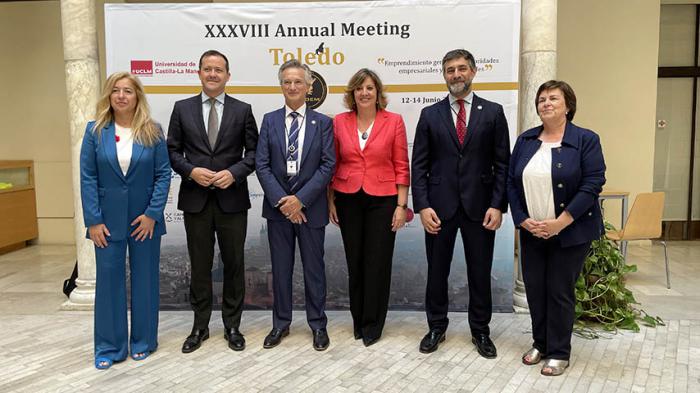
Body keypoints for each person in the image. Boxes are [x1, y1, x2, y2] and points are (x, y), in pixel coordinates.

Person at [411, 49, 510, 357]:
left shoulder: (493, 112)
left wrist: (498, 205)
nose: (456, 74)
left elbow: (502, 164)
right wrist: (423, 206)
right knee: (436, 271)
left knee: (480, 272)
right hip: (438, 209)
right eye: (450, 70)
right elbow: (419, 165)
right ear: (444, 76)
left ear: (473, 72)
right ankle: (436, 327)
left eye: (462, 68)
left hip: (481, 208)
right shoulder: (430, 114)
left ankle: (480, 331)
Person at [507, 80, 606, 376]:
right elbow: (511, 182)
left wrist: (560, 223)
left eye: (553, 98)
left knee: (559, 291)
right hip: (532, 230)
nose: (546, 103)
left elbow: (592, 184)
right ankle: (541, 342)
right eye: (541, 99)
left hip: (571, 232)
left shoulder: (586, 139)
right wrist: (523, 220)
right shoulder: (526, 140)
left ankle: (559, 351)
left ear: (568, 106)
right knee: (536, 290)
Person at [167, 50, 258, 353]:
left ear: (227, 75)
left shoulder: (243, 110)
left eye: (219, 70)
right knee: (200, 266)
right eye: (207, 69)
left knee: (234, 265)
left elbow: (255, 154)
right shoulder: (182, 109)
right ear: (199, 73)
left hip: (232, 200)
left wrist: (234, 173)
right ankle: (200, 326)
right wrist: (191, 170)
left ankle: (232, 326)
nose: (213, 74)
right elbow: (172, 152)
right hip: (196, 201)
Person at [80, 72, 171, 369]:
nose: (121, 96)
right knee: (108, 284)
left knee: (145, 282)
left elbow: (163, 175)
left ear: (137, 96)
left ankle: (143, 342)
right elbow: (88, 177)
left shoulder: (153, 131)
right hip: (106, 222)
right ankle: (109, 348)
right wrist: (93, 220)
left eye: (128, 91)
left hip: (145, 221)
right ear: (109, 96)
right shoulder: (95, 132)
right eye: (116, 91)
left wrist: (152, 215)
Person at [255, 59, 335, 351]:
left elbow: (328, 166)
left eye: (298, 82)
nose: (292, 87)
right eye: (287, 82)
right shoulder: (269, 120)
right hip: (278, 212)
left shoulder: (324, 123)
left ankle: (318, 324)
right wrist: (284, 202)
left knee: (314, 269)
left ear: (308, 86)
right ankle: (281, 324)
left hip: (310, 210)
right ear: (281, 86)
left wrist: (300, 200)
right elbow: (261, 166)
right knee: (281, 269)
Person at [328, 68, 410, 346]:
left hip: (384, 200)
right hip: (348, 198)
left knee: (378, 263)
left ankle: (374, 323)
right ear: (352, 93)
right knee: (356, 262)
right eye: (359, 88)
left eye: (370, 88)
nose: (364, 92)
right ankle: (358, 319)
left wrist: (401, 205)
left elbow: (402, 166)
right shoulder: (339, 122)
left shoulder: (394, 121)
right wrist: (331, 201)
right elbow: (333, 164)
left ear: (378, 93)